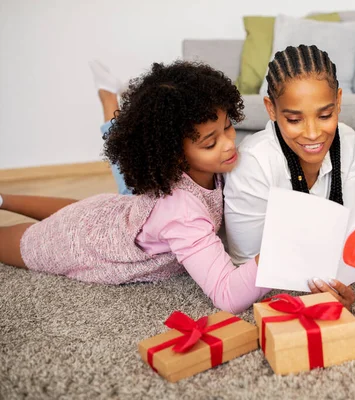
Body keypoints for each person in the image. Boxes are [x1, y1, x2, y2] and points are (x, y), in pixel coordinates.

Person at [0, 61, 270, 314]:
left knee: (72, 212)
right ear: (175, 154)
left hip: (106, 213)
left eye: (228, 127)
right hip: (89, 246)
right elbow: (227, 294)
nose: (228, 144)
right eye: (210, 143)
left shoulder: (214, 169)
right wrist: (278, 250)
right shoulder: (182, 211)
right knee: (37, 237)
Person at [223, 45, 355, 309]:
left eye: (325, 115)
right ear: (271, 109)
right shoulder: (254, 162)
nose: (312, 134)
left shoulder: (349, 143)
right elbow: (245, 264)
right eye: (294, 120)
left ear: (339, 102)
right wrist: (315, 283)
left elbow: (349, 238)